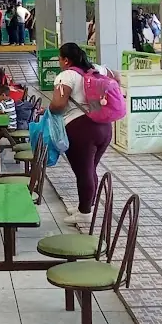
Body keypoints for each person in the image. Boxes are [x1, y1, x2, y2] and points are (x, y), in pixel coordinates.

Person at [48, 43, 115, 225]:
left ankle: (85, 212)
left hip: (81, 129)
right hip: (104, 126)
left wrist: (49, 108)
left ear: (66, 60)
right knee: (90, 168)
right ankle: (86, 205)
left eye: (60, 58)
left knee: (83, 171)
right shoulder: (96, 69)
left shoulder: (66, 76)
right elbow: (117, 77)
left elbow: (59, 105)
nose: (59, 62)